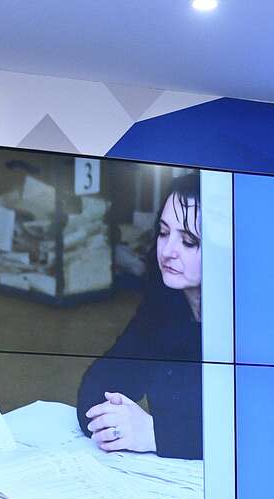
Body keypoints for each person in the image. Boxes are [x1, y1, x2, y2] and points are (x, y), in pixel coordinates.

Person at [75, 172, 205, 460]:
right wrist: (114, 421)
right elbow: (98, 387)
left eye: (188, 241)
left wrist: (154, 433)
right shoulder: (166, 301)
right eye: (164, 232)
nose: (167, 251)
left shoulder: (253, 321)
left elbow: (255, 429)